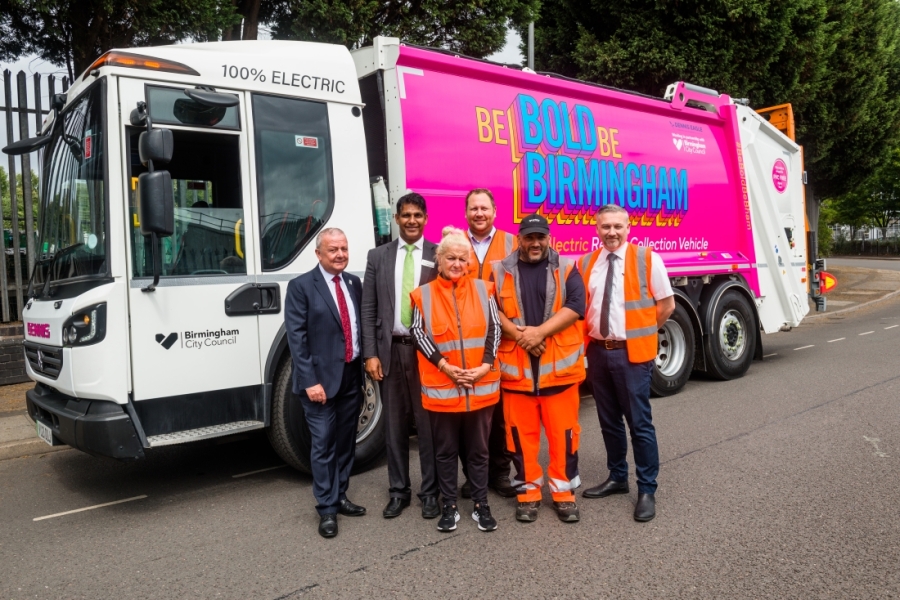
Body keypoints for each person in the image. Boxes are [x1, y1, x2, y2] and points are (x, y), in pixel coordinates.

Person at [579, 205, 675, 522]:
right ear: (596, 228)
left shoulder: (647, 259)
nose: (612, 232)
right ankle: (617, 477)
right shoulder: (587, 262)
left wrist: (641, 334)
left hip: (632, 355)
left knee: (639, 424)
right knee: (608, 421)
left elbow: (666, 305)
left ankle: (647, 489)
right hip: (598, 351)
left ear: (628, 226)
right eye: (605, 226)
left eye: (617, 226)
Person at [493, 214, 587, 523]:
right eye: (529, 237)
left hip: (558, 375)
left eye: (540, 237)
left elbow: (575, 306)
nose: (535, 243)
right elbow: (492, 312)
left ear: (549, 238)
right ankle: (528, 496)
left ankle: (563, 495)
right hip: (517, 374)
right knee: (520, 440)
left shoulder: (568, 268)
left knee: (564, 438)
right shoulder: (500, 271)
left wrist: (539, 333)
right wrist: (523, 337)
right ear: (519, 238)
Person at [409, 227, 502, 533]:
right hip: (442, 387)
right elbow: (418, 333)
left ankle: (480, 504)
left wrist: (485, 366)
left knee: (479, 450)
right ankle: (449, 505)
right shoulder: (423, 295)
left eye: (463, 258)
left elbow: (495, 330)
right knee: (445, 451)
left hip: (479, 385)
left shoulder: (483, 289)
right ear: (439, 259)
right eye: (451, 257)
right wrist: (445, 366)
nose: (457, 263)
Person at [361, 192, 440, 520]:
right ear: (396, 219)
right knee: (393, 428)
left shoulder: (439, 254)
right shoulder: (377, 256)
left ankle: (431, 492)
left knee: (428, 427)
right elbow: (368, 308)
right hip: (390, 351)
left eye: (417, 216)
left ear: (425, 218)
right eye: (405, 215)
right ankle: (398, 491)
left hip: (427, 354)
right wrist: (370, 354)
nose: (411, 221)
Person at [284, 227, 367, 538]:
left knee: (346, 442)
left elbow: (357, 327)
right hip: (319, 382)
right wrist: (309, 381)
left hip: (350, 376)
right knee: (323, 444)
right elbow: (297, 339)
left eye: (344, 248)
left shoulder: (353, 283)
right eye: (333, 250)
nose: (340, 255)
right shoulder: (301, 286)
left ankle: (340, 494)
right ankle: (327, 509)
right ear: (318, 254)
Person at [462, 188, 517, 499]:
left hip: (503, 339)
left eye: (484, 208)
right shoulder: (457, 244)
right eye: (473, 208)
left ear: (495, 211)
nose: (479, 213)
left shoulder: (512, 243)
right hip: (467, 341)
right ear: (466, 213)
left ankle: (500, 473)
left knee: (500, 415)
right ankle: (474, 477)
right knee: (471, 414)